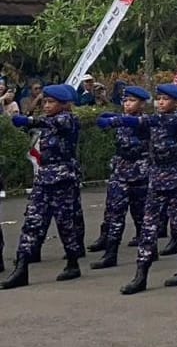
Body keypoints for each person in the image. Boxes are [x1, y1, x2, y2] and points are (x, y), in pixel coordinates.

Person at [116, 84, 177, 295]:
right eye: (158, 98)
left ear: (176, 103)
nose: (160, 102)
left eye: (165, 99)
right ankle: (141, 275)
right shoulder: (154, 121)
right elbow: (142, 123)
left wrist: (123, 119)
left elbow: (149, 120)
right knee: (148, 229)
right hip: (156, 180)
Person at [1, 85, 81, 289]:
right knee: (32, 222)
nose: (46, 106)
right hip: (44, 179)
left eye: (51, 102)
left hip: (62, 179)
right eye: (45, 102)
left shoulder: (67, 119)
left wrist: (28, 120)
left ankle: (73, 262)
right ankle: (21, 268)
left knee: (65, 224)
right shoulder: (49, 124)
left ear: (63, 104)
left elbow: (51, 122)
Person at [89, 86, 152, 269]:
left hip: (139, 173)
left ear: (142, 104)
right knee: (115, 214)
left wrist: (113, 120)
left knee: (142, 215)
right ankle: (110, 253)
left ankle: (149, 249)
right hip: (120, 172)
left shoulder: (145, 120)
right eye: (125, 101)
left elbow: (131, 123)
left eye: (131, 101)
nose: (126, 104)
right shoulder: (122, 120)